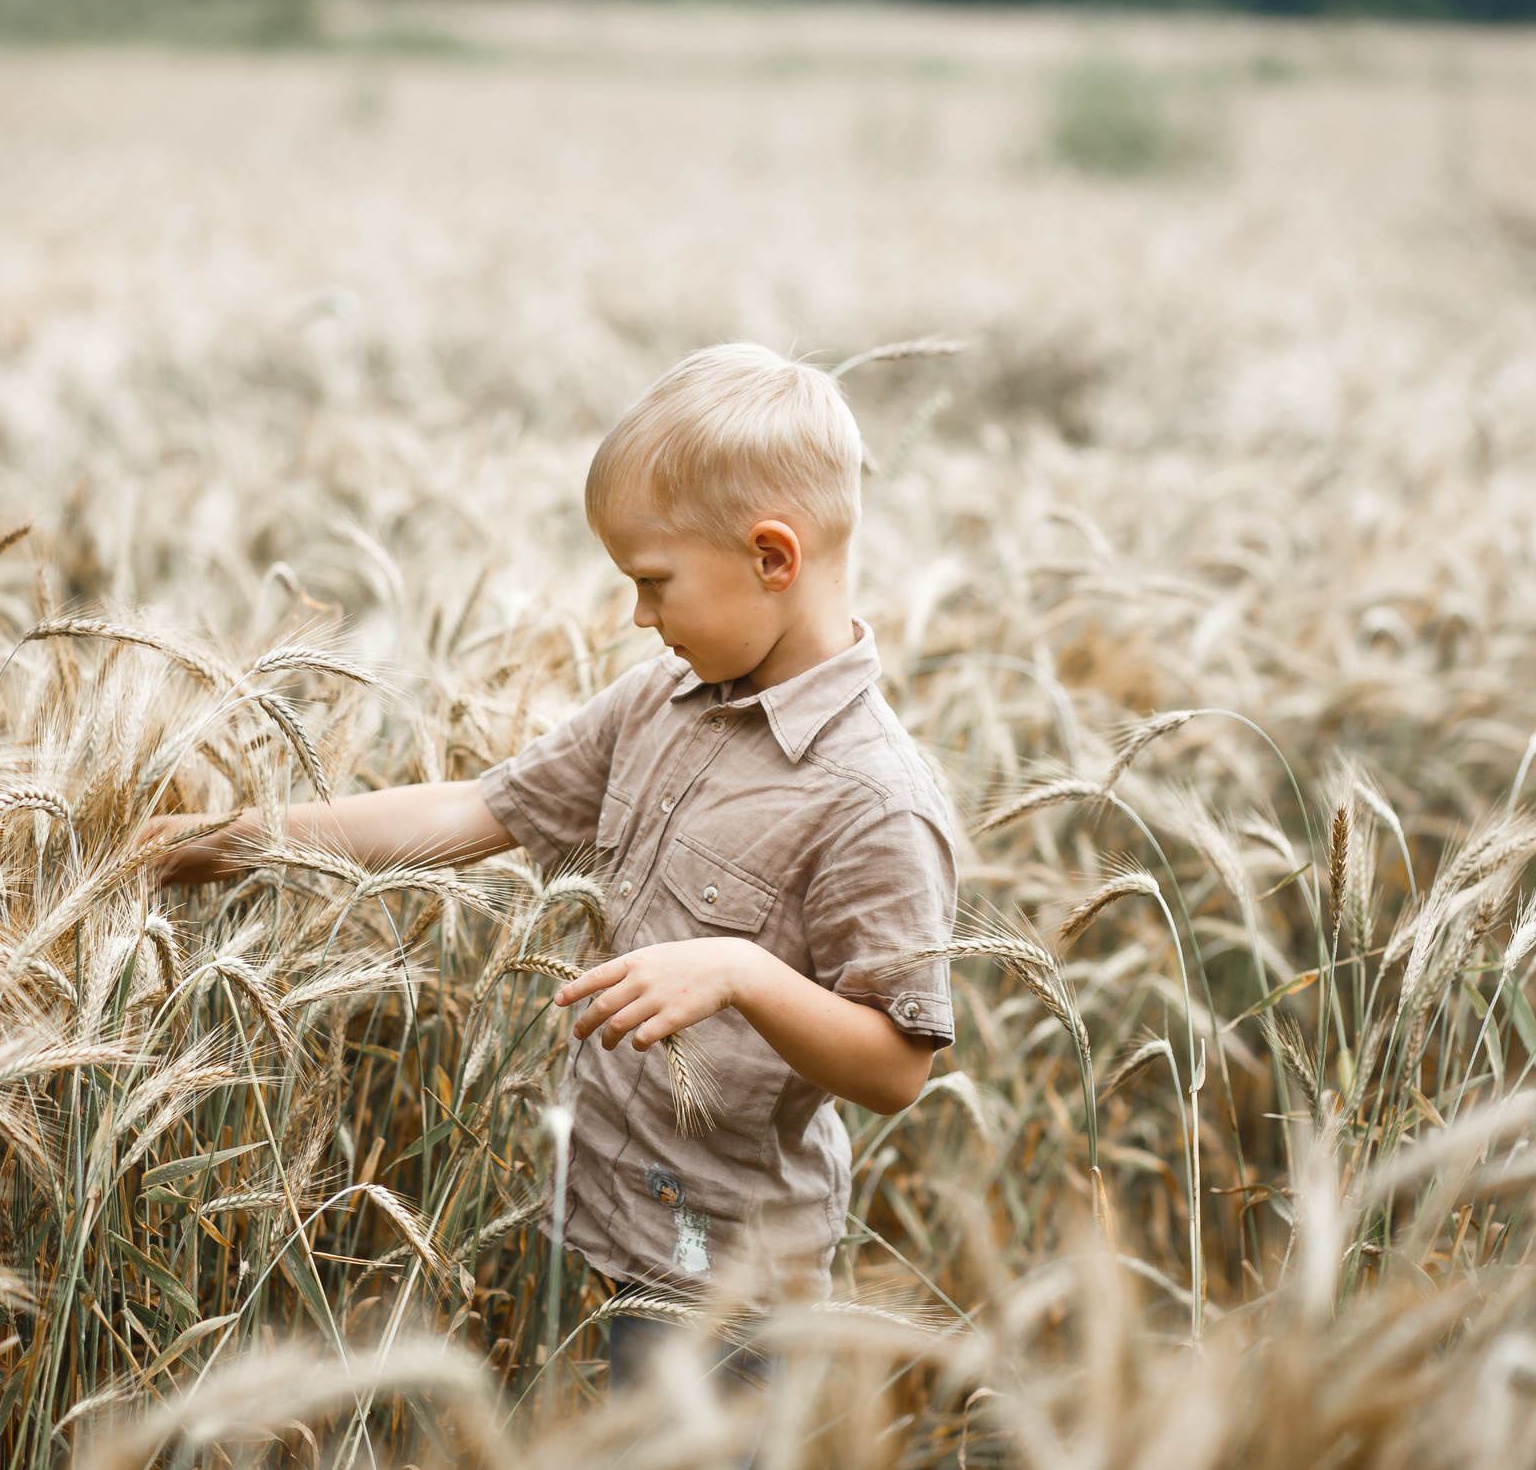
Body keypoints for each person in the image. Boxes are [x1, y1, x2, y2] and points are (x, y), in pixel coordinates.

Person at [145, 343, 958, 1388]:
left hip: (723, 1272)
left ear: (772, 557)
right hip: (606, 1210)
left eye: (653, 582)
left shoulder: (874, 797)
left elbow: (896, 1066)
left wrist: (741, 971)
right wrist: (241, 838)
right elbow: (479, 808)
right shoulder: (657, 701)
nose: (639, 618)